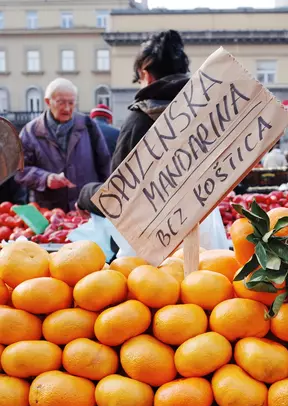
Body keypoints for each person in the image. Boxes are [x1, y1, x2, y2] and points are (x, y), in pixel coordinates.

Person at [77, 30, 229, 252]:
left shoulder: (140, 119)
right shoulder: (209, 114)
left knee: (159, 287)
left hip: (152, 246)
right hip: (202, 234)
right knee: (202, 284)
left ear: (145, 73)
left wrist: (85, 194)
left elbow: (118, 196)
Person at [15, 78, 111, 212]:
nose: (67, 108)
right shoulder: (31, 131)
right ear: (48, 102)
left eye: (71, 103)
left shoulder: (88, 125)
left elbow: (105, 165)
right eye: (61, 102)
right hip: (50, 213)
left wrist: (104, 199)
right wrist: (45, 178)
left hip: (85, 210)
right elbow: (19, 170)